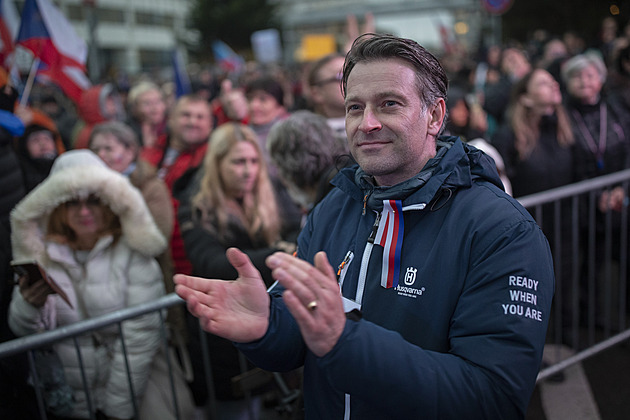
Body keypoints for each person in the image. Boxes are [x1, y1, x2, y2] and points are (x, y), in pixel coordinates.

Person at [174, 33, 555, 419]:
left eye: (389, 104)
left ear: (435, 116)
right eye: (355, 107)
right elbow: (297, 335)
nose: (367, 123)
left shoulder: (504, 232)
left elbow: (493, 399)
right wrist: (266, 324)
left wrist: (345, 342)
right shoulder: (335, 206)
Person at [8, 150, 168, 420]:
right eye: (72, 202)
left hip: (132, 397)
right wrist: (29, 305)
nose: (84, 211)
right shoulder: (43, 254)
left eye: (93, 200)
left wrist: (117, 408)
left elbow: (141, 333)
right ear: (58, 207)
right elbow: (22, 330)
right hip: (72, 401)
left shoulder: (131, 251)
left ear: (109, 202)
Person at [174, 122, 296, 416]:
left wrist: (279, 250)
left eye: (254, 161)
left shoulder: (270, 191)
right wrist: (279, 253)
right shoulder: (197, 205)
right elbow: (213, 264)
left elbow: (297, 235)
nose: (248, 170)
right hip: (222, 333)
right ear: (218, 163)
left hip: (272, 324)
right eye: (238, 161)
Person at [141, 94, 213, 276]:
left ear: (210, 124)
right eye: (186, 115)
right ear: (171, 119)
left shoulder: (213, 159)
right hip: (150, 254)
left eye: (200, 117)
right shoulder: (149, 153)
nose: (192, 122)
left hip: (189, 257)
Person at [266, 110, 352, 214]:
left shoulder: (333, 204)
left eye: (278, 165)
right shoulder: (350, 177)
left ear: (291, 166)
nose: (279, 174)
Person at [14, 109, 65, 192]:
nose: (42, 144)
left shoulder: (64, 169)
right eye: (35, 140)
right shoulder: (20, 176)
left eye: (47, 139)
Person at [305, 53, 347, 141]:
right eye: (341, 76)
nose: (350, 81)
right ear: (317, 94)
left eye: (352, 73)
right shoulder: (310, 138)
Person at [125, 81, 168, 149]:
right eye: (147, 103)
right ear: (134, 108)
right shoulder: (126, 131)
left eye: (158, 102)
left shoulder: (173, 128)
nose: (154, 108)